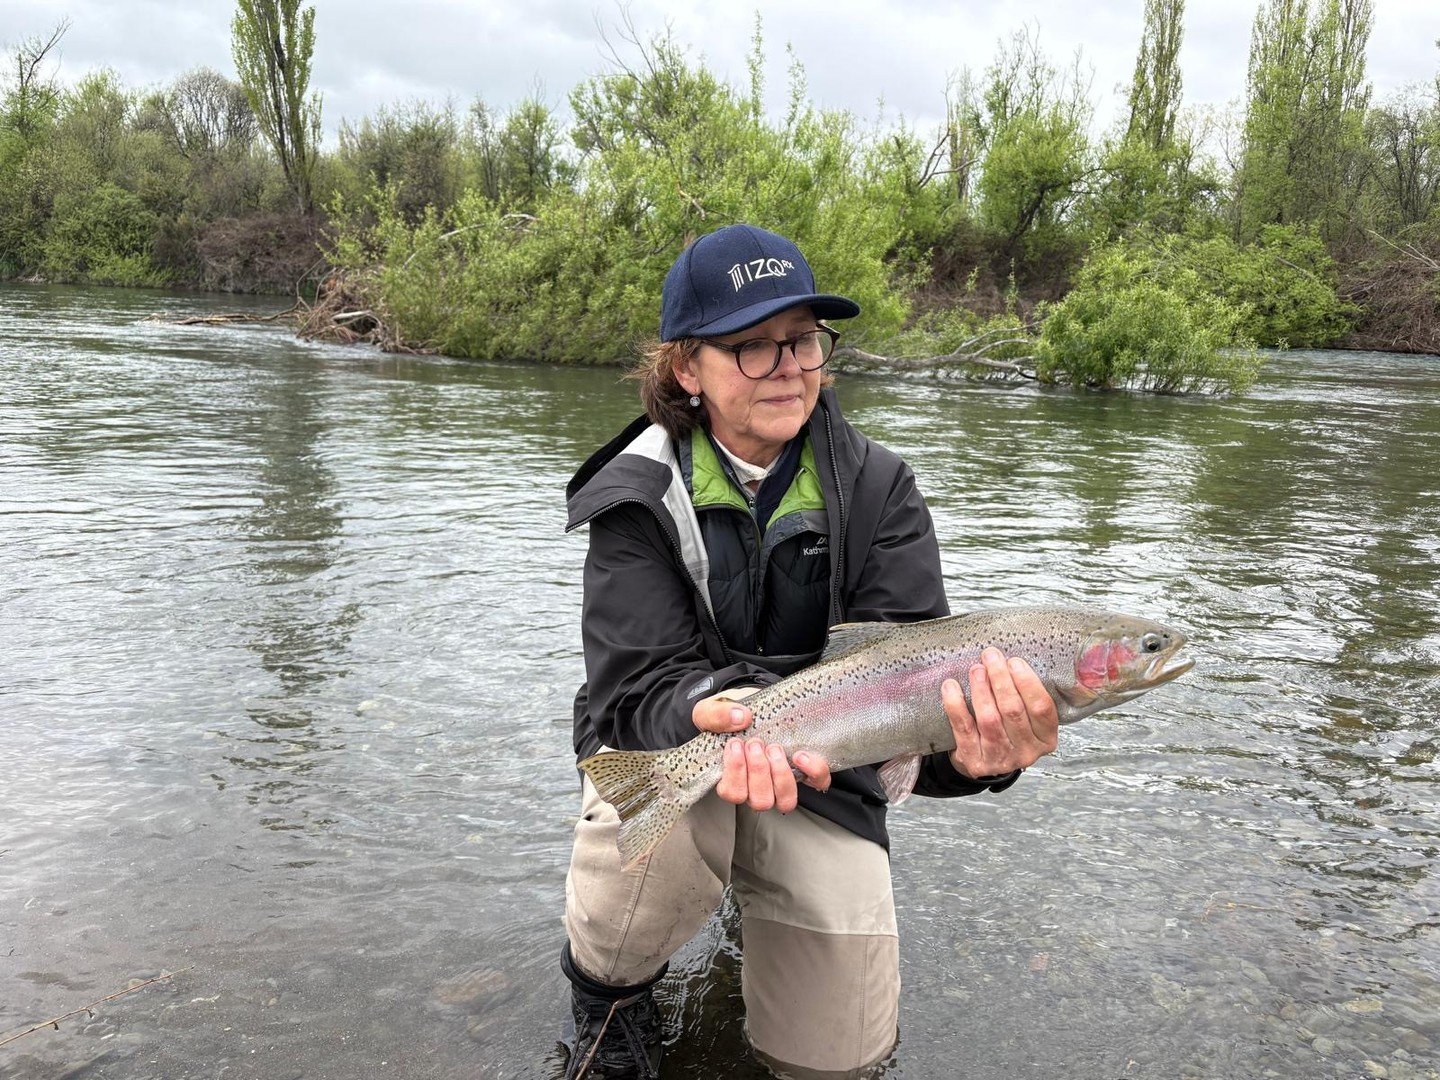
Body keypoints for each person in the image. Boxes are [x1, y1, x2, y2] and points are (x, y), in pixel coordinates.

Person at [559, 223, 1059, 1080]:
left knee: (838, 1062)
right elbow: (632, 687)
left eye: (802, 340)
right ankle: (612, 994)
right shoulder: (636, 495)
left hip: (835, 784)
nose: (789, 366)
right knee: (657, 813)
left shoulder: (880, 489)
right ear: (687, 369)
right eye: (753, 346)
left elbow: (913, 725)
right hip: (681, 748)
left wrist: (982, 760)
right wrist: (701, 713)